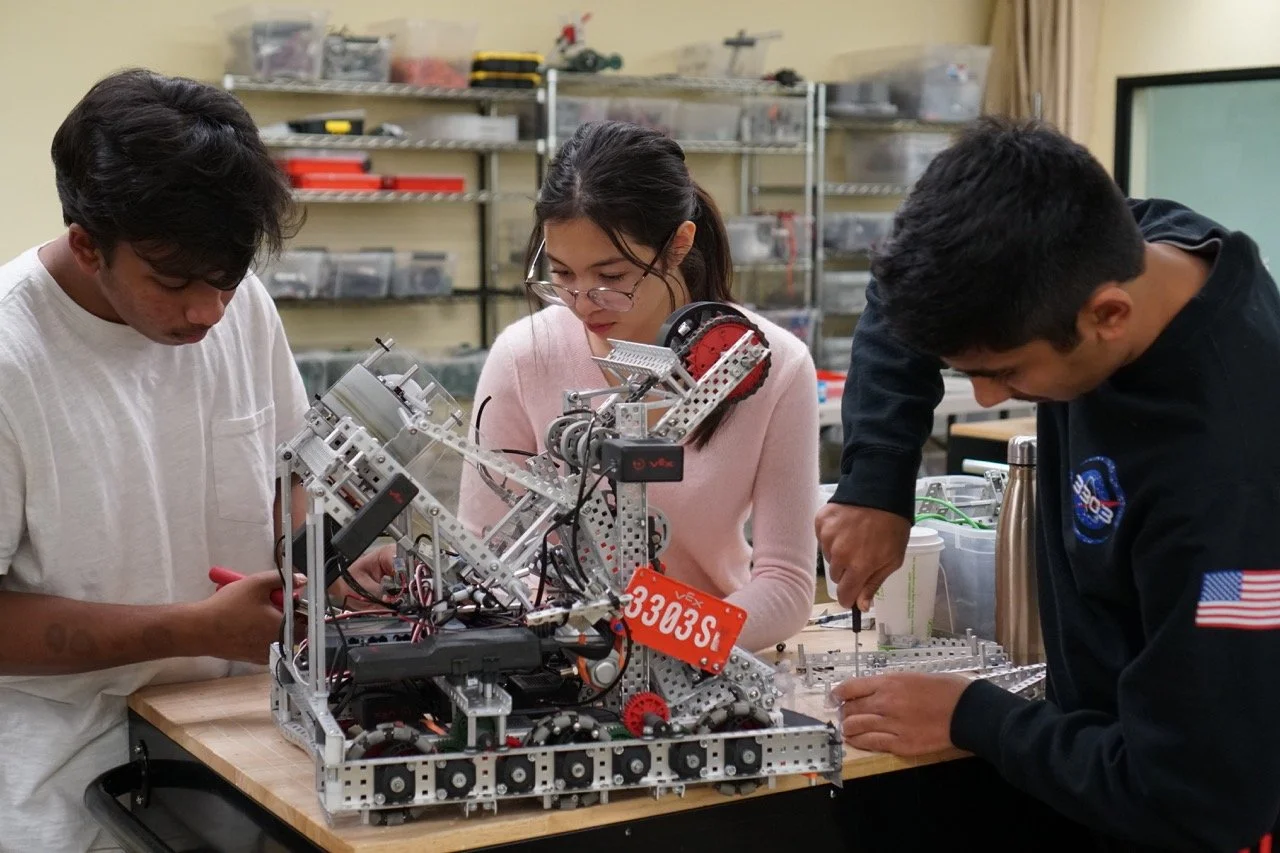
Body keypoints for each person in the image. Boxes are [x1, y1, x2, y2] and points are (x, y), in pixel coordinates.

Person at [818, 116, 1280, 852]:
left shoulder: (1226, 487)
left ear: (1107, 317)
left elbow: (1198, 799)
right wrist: (876, 481)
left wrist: (975, 714)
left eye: (1004, 370)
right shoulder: (1123, 243)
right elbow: (900, 297)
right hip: (1088, 750)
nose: (990, 397)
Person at [0, 69, 380, 853]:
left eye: (227, 279)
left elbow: (288, 482)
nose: (206, 311)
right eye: (173, 282)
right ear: (86, 244)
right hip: (74, 794)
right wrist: (191, 628)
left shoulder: (237, 307)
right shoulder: (14, 355)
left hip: (249, 760)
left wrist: (324, 560)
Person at [456, 121, 819, 652]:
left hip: (711, 660)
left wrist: (659, 643)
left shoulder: (768, 364)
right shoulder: (524, 355)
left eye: (612, 277)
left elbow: (786, 585)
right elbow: (484, 551)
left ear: (678, 246)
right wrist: (585, 638)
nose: (583, 302)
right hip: (562, 657)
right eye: (562, 275)